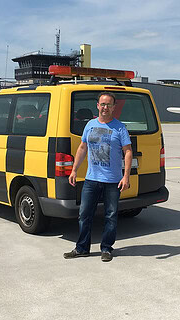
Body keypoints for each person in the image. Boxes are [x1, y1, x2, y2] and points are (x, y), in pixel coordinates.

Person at [64, 92, 132, 262]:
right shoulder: (90, 125)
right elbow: (82, 147)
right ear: (97, 106)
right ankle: (82, 248)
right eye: (102, 104)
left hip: (112, 181)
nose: (105, 108)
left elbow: (128, 151)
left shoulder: (120, 128)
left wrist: (126, 177)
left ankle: (107, 248)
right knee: (84, 214)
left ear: (114, 108)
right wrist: (74, 170)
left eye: (109, 105)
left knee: (111, 216)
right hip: (91, 179)